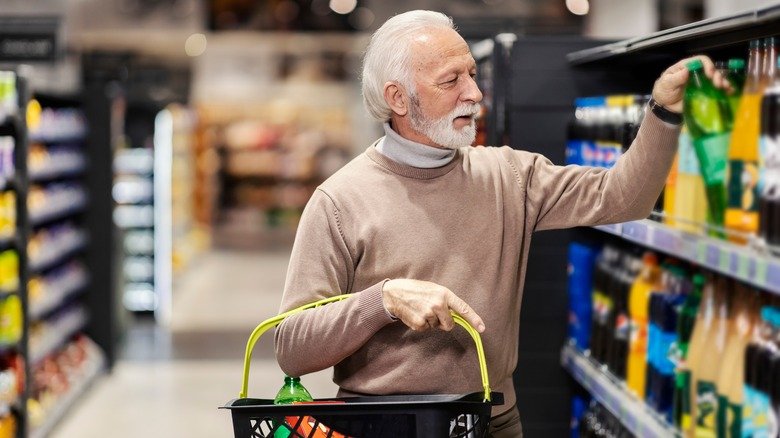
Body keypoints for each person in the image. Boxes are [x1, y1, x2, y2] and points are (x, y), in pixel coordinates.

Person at [274, 9, 728, 437]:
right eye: (450, 80)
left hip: (495, 423)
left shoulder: (510, 176)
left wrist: (664, 112)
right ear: (397, 97)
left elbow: (623, 198)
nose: (474, 93)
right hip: (386, 426)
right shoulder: (340, 200)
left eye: (471, 74)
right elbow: (292, 347)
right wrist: (383, 301)